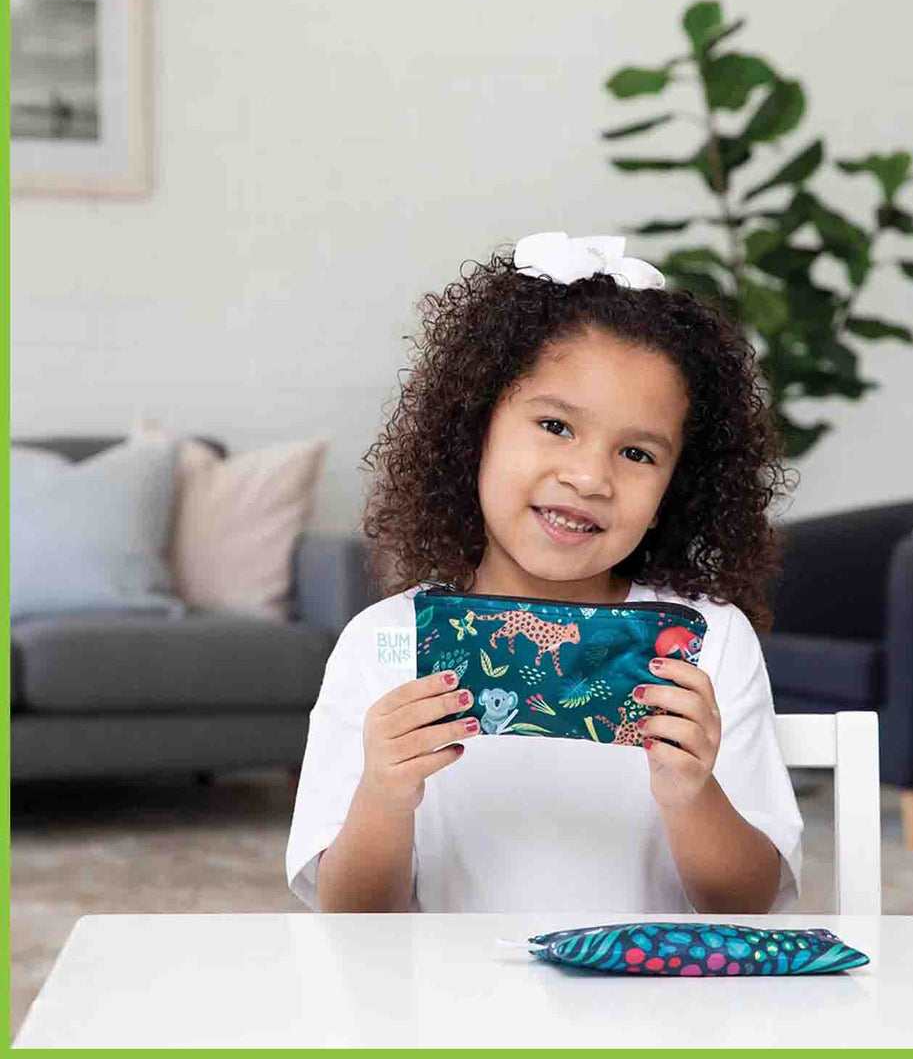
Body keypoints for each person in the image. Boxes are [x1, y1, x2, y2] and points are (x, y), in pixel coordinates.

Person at [286, 231, 803, 914]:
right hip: (447, 1015)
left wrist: (691, 791)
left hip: (659, 1017)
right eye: (556, 426)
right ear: (474, 430)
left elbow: (746, 905)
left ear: (675, 491)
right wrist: (384, 793)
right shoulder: (384, 644)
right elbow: (352, 918)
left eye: (638, 454)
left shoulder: (710, 642)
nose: (589, 477)